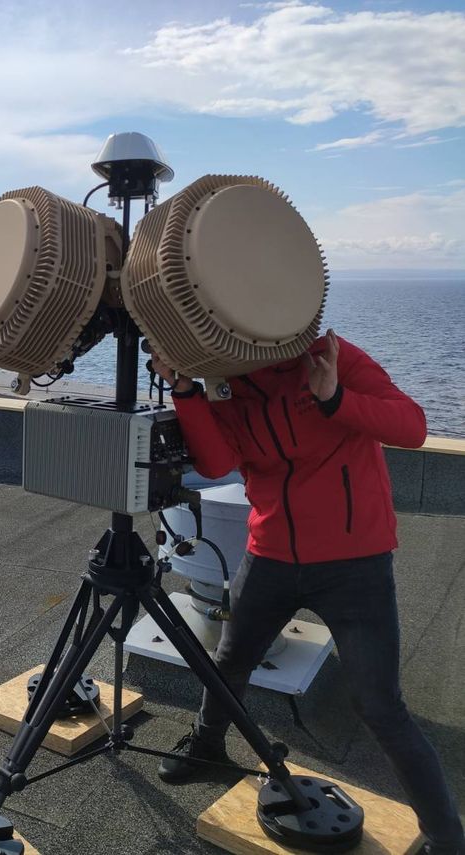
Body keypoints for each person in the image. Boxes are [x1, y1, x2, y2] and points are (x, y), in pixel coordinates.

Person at [152, 329, 464, 855]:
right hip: (270, 554)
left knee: (379, 705)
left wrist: (335, 398)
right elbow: (216, 462)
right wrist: (186, 390)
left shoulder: (331, 358)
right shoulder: (229, 384)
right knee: (229, 660)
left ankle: (446, 836)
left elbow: (412, 426)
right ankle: (207, 748)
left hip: (355, 563)